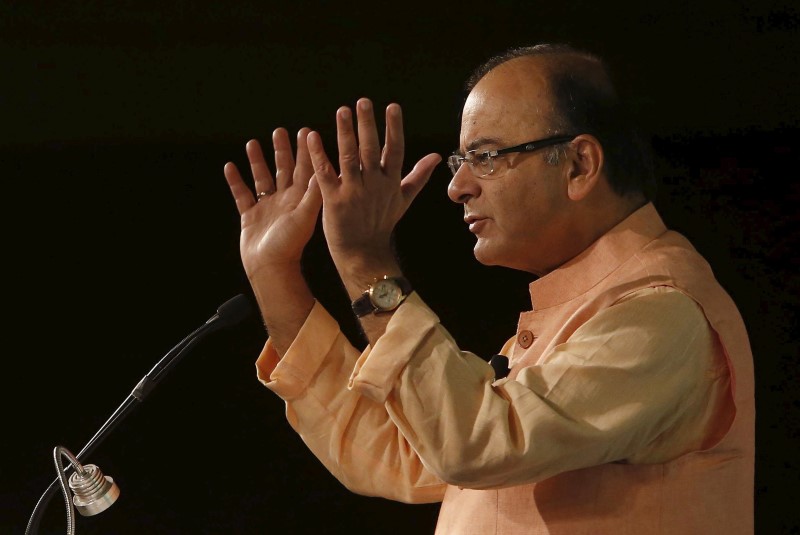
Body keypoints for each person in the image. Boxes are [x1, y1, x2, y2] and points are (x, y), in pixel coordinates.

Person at [223, 43, 754, 534]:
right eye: (461, 161)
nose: (457, 187)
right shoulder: (587, 313)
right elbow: (401, 451)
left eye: (487, 156)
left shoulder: (662, 316)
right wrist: (275, 273)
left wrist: (366, 263)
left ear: (579, 164)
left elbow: (476, 441)